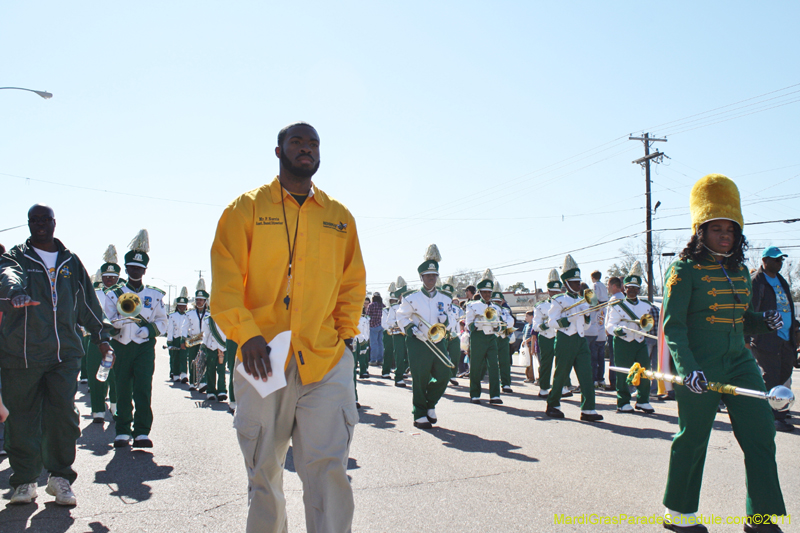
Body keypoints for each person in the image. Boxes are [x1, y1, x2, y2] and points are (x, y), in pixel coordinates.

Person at [210, 121, 366, 533]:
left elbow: (353, 284)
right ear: (278, 152)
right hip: (263, 361)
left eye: (313, 144)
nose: (306, 149)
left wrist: (344, 337)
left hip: (325, 360)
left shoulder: (339, 217)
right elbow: (225, 283)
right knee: (264, 470)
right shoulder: (245, 208)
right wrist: (247, 335)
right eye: (296, 142)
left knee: (329, 467)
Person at [661, 174, 786, 533]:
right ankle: (679, 513)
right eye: (716, 229)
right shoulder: (683, 270)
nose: (725, 235)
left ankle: (761, 516)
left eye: (730, 229)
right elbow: (674, 325)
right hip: (701, 363)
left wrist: (764, 321)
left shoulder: (740, 271)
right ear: (701, 231)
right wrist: (688, 368)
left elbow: (740, 320)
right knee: (694, 435)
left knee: (761, 432)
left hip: (739, 361)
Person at [0, 204, 114, 505]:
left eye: (45, 220)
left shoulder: (70, 261)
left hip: (64, 355)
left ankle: (60, 478)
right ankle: (24, 481)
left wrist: (102, 337)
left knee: (62, 416)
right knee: (21, 420)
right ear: (28, 224)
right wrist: (15, 292)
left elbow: (88, 304)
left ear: (54, 222)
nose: (39, 225)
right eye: (33, 220)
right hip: (21, 355)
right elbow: (8, 274)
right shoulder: (16, 257)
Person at [103, 229, 168, 449]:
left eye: (140, 268)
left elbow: (162, 321)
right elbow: (107, 319)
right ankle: (122, 430)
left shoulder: (154, 295)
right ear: (126, 268)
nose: (136, 271)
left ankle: (141, 431)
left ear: (145, 270)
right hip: (121, 345)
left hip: (144, 347)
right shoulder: (114, 293)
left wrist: (149, 331)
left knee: (143, 388)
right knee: (122, 388)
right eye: (132, 268)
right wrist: (115, 326)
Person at [396, 245, 453, 429]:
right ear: (421, 277)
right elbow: (402, 317)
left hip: (438, 340)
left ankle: (430, 404)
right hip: (417, 341)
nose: (431, 279)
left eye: (434, 275)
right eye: (428, 276)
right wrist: (412, 329)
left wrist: (446, 322)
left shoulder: (445, 297)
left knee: (444, 374)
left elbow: (452, 317)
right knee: (420, 378)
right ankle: (419, 413)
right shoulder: (410, 297)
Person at [544, 255, 602, 422]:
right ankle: (553, 404)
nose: (577, 284)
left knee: (586, 375)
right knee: (561, 374)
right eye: (574, 282)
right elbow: (552, 322)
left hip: (580, 339)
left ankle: (588, 409)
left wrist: (586, 318)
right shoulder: (558, 299)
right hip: (565, 339)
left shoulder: (583, 300)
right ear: (567, 282)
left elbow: (586, 324)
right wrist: (567, 320)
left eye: (578, 281)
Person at [749, 246, 797, 433]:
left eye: (781, 260)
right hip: (766, 338)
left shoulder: (781, 281)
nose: (779, 263)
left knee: (784, 373)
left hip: (786, 339)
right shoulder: (757, 281)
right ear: (764, 260)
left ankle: (776, 410)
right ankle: (775, 417)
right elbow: (749, 311)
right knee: (772, 377)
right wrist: (747, 337)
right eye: (776, 259)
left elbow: (788, 308)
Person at [605, 261, 655, 414]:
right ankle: (623, 401)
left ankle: (643, 400)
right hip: (623, 342)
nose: (632, 291)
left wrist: (647, 327)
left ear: (639, 289)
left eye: (635, 288)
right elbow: (609, 326)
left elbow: (649, 323)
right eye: (629, 288)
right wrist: (618, 330)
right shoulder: (617, 304)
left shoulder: (646, 305)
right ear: (624, 289)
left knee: (644, 371)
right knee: (623, 372)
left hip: (639, 341)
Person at [87, 245, 122, 423]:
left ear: (118, 278)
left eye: (113, 278)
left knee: (116, 374)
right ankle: (98, 411)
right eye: (106, 277)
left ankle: (116, 406)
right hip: (96, 338)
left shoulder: (124, 294)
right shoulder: (95, 293)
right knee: (96, 373)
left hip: (117, 337)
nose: (109, 280)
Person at [465, 275, 503, 404]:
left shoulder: (497, 308)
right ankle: (475, 394)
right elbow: (468, 324)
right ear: (480, 293)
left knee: (493, 366)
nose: (487, 294)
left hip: (491, 337)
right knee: (476, 366)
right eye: (485, 292)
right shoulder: (472, 305)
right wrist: (477, 323)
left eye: (489, 292)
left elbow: (499, 325)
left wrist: (497, 325)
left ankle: (495, 395)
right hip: (478, 337)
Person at [532, 269, 562, 398]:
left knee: (562, 363)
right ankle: (544, 387)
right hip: (546, 337)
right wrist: (543, 326)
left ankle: (563, 386)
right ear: (548, 292)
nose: (555, 294)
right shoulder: (540, 306)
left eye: (557, 291)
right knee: (546, 363)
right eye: (553, 291)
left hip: (561, 335)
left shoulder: (565, 304)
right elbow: (535, 325)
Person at [185, 279, 210, 390]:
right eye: (197, 300)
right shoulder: (189, 314)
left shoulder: (209, 314)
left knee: (204, 361)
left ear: (205, 301)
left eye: (201, 300)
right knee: (193, 361)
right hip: (193, 340)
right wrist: (183, 339)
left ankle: (202, 382)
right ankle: (192, 382)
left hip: (205, 341)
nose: (199, 302)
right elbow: (184, 327)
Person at [491, 292, 516, 393]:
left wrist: (502, 323)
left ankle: (506, 384)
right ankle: (494, 385)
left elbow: (511, 321)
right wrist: (503, 323)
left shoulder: (505, 310)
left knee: (505, 362)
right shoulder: (489, 309)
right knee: (493, 363)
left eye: (499, 301)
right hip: (493, 337)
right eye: (495, 301)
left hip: (504, 337)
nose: (497, 303)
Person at [604, 276, 624, 391]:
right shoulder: (623, 298)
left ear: (614, 286)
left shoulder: (615, 299)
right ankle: (618, 381)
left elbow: (610, 317)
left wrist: (607, 329)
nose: (608, 287)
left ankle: (613, 382)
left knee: (613, 358)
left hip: (613, 332)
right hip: (619, 332)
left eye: (609, 285)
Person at [202, 311, 229, 402]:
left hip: (223, 347)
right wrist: (203, 346)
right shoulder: (208, 320)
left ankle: (222, 390)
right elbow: (205, 335)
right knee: (210, 370)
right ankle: (211, 391)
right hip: (211, 348)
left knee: (221, 370)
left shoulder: (227, 318)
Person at [166, 287, 189, 383]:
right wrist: (169, 340)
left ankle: (184, 374)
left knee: (184, 357)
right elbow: (170, 329)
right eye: (180, 305)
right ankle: (175, 374)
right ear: (177, 306)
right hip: (175, 338)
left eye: (183, 306)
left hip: (184, 338)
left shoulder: (188, 315)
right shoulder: (172, 316)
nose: (182, 307)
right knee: (175, 357)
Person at [393, 276, 410, 387]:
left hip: (409, 333)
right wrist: (398, 324)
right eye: (402, 295)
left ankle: (404, 370)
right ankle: (398, 377)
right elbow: (389, 322)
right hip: (398, 334)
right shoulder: (393, 308)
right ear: (399, 297)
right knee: (399, 356)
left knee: (409, 355)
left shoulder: (411, 305)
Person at [380, 284, 398, 379]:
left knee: (398, 353)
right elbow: (384, 323)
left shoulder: (399, 309)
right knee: (388, 352)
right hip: (388, 333)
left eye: (395, 300)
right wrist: (391, 328)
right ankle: (385, 371)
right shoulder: (385, 310)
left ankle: (399, 371)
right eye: (392, 300)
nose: (393, 302)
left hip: (398, 333)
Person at [367, 293, 385, 365]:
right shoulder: (383, 306)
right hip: (381, 326)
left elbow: (368, 316)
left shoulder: (371, 305)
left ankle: (373, 360)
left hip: (373, 326)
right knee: (380, 343)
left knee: (374, 343)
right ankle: (380, 360)